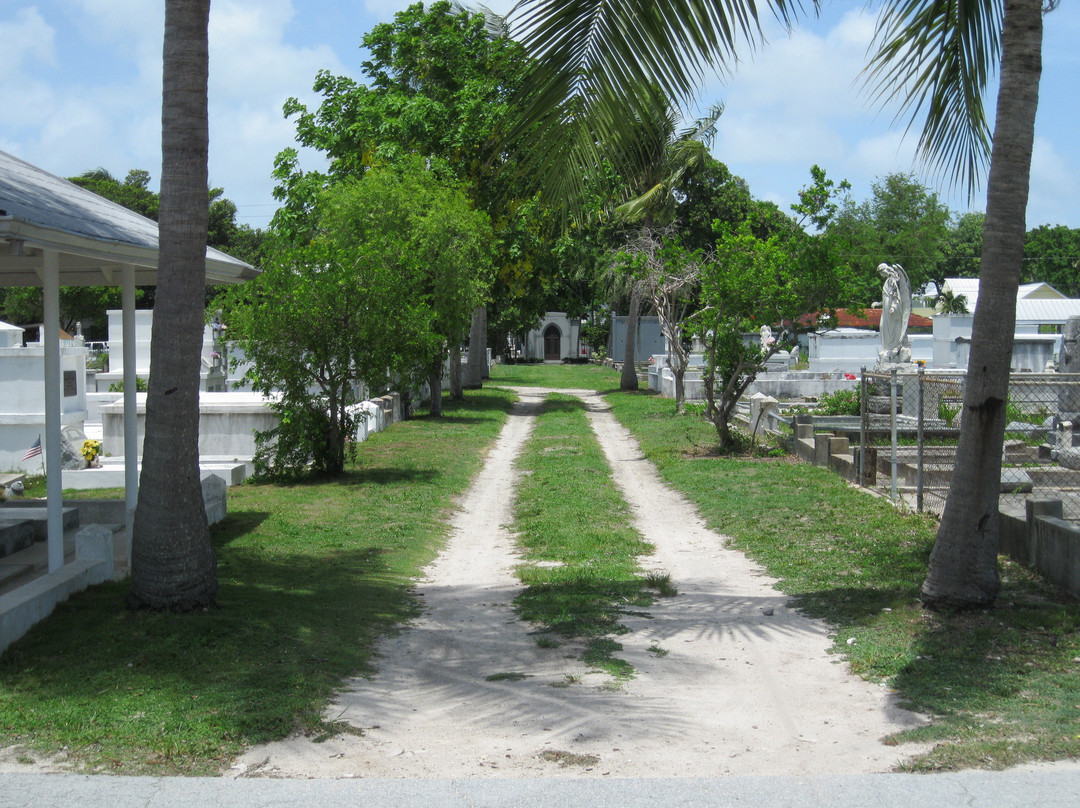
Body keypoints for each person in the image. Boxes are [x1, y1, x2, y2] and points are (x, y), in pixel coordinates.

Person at [877, 263, 911, 364]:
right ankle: (888, 348)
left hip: (892, 311)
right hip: (886, 310)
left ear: (883, 271)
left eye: (880, 273)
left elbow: (896, 296)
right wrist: (879, 304)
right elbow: (887, 297)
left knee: (891, 329)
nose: (881, 276)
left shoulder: (892, 280)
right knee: (883, 328)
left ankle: (893, 348)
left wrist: (893, 307)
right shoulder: (889, 280)